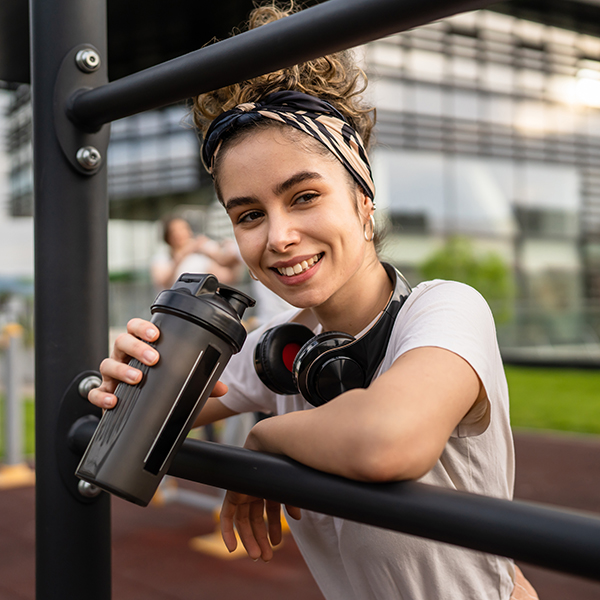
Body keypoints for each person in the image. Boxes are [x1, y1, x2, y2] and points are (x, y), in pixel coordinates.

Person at [89, 4, 538, 599]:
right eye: (249, 214)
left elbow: (388, 441)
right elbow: (120, 426)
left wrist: (266, 439)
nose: (277, 237)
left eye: (303, 196)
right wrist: (128, 372)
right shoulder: (282, 352)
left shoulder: (445, 309)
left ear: (362, 196)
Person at [151, 215, 241, 289]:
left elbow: (227, 278)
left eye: (184, 229)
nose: (180, 234)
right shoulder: (162, 258)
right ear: (168, 236)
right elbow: (162, 282)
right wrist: (183, 254)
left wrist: (234, 255)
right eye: (175, 231)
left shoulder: (199, 257)